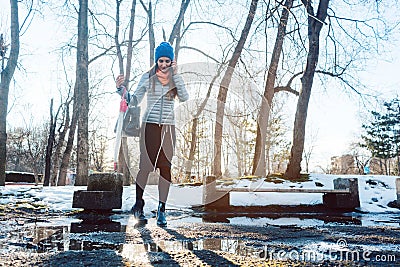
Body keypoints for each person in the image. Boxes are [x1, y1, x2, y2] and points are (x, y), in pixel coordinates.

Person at [116, 42, 189, 226]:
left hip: (168, 128)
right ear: (156, 61)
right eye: (160, 60)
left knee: (166, 169)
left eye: (167, 60)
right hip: (149, 127)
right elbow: (134, 100)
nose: (164, 64)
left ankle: (161, 209)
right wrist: (121, 90)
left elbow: (185, 97)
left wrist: (177, 75)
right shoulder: (148, 77)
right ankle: (138, 205)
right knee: (145, 167)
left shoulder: (175, 79)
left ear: (171, 61)